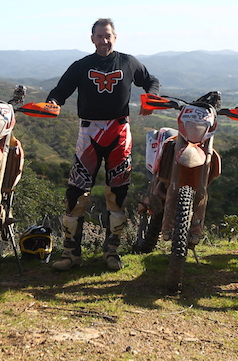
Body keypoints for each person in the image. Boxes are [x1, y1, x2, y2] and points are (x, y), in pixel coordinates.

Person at [46, 18, 160, 271]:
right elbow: (60, 91)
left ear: (115, 37)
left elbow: (151, 81)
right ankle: (70, 255)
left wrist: (151, 99)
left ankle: (112, 253)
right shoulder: (81, 66)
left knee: (117, 194)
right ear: (92, 39)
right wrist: (53, 102)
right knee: (76, 194)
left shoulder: (129, 62)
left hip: (119, 132)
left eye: (108, 36)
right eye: (99, 36)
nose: (104, 40)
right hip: (88, 133)